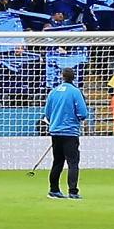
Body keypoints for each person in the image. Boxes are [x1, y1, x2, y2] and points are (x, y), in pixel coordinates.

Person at [42, 67, 87, 200]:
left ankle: (53, 189)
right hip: (70, 132)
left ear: (62, 76)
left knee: (57, 161)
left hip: (56, 131)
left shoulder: (53, 92)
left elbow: (47, 113)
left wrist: (55, 121)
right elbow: (83, 113)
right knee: (73, 162)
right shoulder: (75, 92)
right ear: (74, 77)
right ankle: (73, 191)